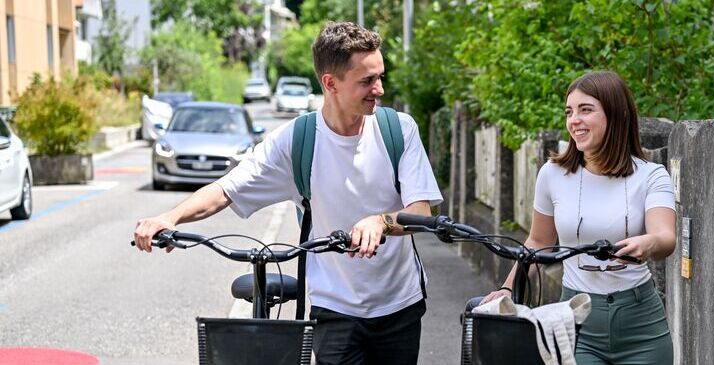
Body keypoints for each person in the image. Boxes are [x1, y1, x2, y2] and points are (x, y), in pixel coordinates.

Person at [133, 21, 442, 365]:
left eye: (380, 76)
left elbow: (421, 214)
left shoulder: (398, 130)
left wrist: (381, 222)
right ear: (330, 83)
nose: (379, 89)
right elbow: (226, 189)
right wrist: (168, 217)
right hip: (335, 307)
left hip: (400, 304)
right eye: (367, 80)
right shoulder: (297, 140)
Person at [480, 71, 677, 364]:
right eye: (569, 112)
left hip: (641, 323)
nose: (574, 120)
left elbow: (666, 237)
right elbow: (539, 241)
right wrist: (508, 288)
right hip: (576, 319)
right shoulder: (553, 174)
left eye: (586, 110)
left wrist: (649, 243)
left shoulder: (651, 176)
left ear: (617, 114)